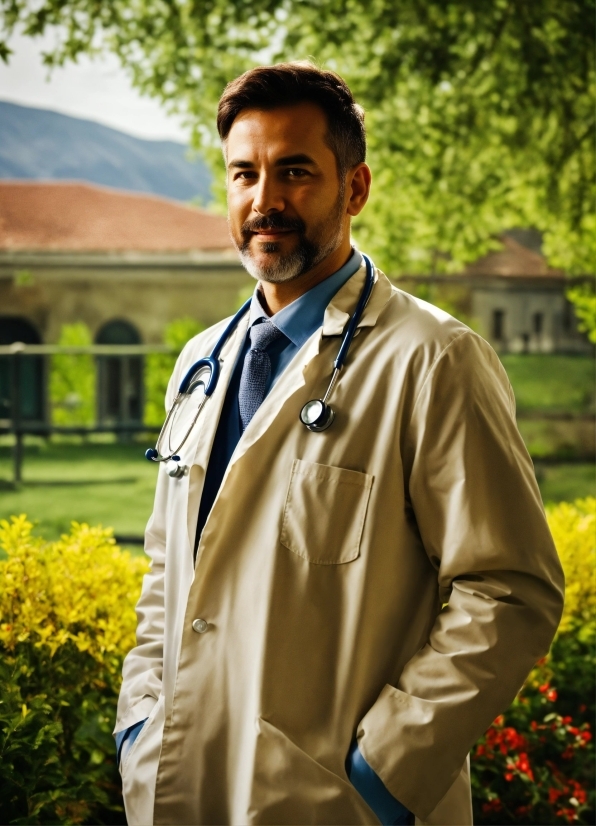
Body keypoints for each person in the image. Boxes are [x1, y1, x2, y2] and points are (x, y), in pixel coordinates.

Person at [114, 62, 564, 826]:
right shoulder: (200, 364)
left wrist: (382, 776)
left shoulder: (432, 358)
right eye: (244, 174)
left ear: (354, 189)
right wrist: (139, 727)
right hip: (185, 784)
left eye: (295, 172)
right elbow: (168, 573)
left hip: (339, 803)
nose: (265, 201)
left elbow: (509, 589)